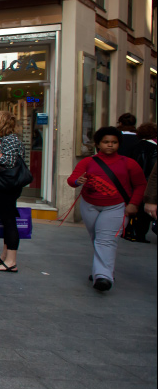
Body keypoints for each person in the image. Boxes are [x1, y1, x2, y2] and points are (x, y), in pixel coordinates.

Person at [67, 126, 146, 292]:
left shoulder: (129, 163)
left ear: (119, 144)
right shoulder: (87, 162)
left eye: (114, 142)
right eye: (106, 142)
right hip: (90, 206)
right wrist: (77, 181)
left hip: (116, 207)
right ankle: (102, 270)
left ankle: (103, 277)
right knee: (97, 238)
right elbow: (72, 179)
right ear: (98, 144)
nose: (110, 145)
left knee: (106, 240)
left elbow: (140, 185)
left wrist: (133, 204)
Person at [0, 111, 26, 273]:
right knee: (5, 219)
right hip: (5, 185)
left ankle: (11, 261)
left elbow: (8, 162)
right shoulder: (8, 139)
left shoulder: (10, 141)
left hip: (8, 186)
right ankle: (4, 255)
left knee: (9, 221)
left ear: (0, 123)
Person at [125, 122, 157, 242]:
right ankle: (139, 234)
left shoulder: (134, 147)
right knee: (144, 212)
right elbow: (154, 171)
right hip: (146, 183)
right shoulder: (154, 148)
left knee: (136, 208)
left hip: (134, 182)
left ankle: (132, 231)